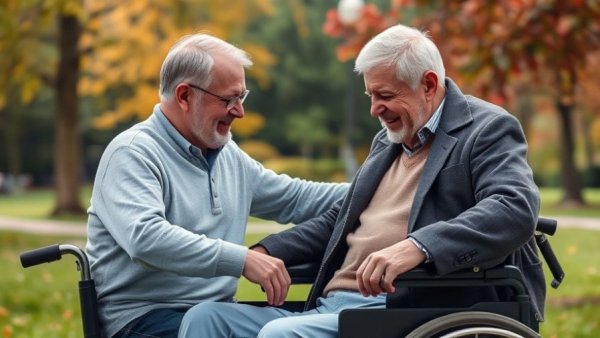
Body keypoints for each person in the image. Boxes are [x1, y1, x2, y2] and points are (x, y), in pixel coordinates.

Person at [177, 23, 543, 337]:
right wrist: (264, 254)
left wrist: (417, 247)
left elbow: (514, 208)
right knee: (206, 319)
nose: (374, 110)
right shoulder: (389, 139)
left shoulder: (487, 129)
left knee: (279, 333)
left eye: (385, 95)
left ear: (428, 85)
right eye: (371, 96)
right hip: (332, 304)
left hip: (402, 308)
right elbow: (338, 221)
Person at [85, 33, 348, 338]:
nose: (239, 111)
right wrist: (242, 259)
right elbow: (145, 238)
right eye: (228, 99)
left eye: (241, 97)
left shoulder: (226, 155)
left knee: (305, 328)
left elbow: (298, 198)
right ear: (184, 96)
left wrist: (383, 183)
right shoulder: (132, 152)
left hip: (214, 314)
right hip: (143, 319)